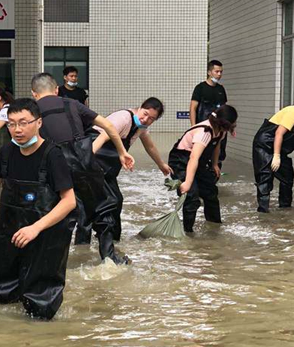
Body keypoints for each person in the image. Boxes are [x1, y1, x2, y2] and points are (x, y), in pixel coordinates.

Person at [0, 98, 76, 320]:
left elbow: (69, 201)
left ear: (39, 123)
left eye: (23, 123)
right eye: (12, 124)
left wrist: (35, 228)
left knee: (39, 309)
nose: (17, 129)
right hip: (10, 234)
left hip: (44, 235)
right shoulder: (6, 153)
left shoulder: (53, 155)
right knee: (2, 301)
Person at [31, 73, 135, 248]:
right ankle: (104, 256)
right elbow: (108, 126)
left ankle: (56, 257)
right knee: (99, 208)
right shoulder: (72, 103)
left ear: (34, 93)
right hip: (82, 161)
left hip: (53, 163)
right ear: (56, 89)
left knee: (54, 211)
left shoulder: (32, 110)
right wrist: (122, 152)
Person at [88, 98, 173, 262]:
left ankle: (113, 241)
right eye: (145, 114)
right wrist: (86, 159)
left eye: (151, 119)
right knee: (107, 202)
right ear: (140, 107)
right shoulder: (124, 118)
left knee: (116, 200)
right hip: (95, 161)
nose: (146, 119)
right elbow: (103, 136)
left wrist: (161, 165)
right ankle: (100, 252)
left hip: (107, 170)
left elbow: (150, 146)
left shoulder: (141, 128)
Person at [169, 104, 238, 233]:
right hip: (181, 161)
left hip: (198, 161)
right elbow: (193, 158)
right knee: (192, 196)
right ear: (224, 123)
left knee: (210, 191)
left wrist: (214, 164)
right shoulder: (204, 132)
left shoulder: (220, 131)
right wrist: (188, 182)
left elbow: (216, 146)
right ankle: (187, 232)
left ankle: (215, 227)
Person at [190, 60, 229, 166]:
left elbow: (224, 109)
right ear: (209, 72)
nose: (219, 74)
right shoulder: (200, 88)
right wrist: (193, 127)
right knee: (202, 154)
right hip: (204, 127)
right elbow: (193, 108)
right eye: (217, 71)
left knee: (218, 154)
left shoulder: (221, 89)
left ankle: (214, 174)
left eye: (221, 72)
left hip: (219, 129)